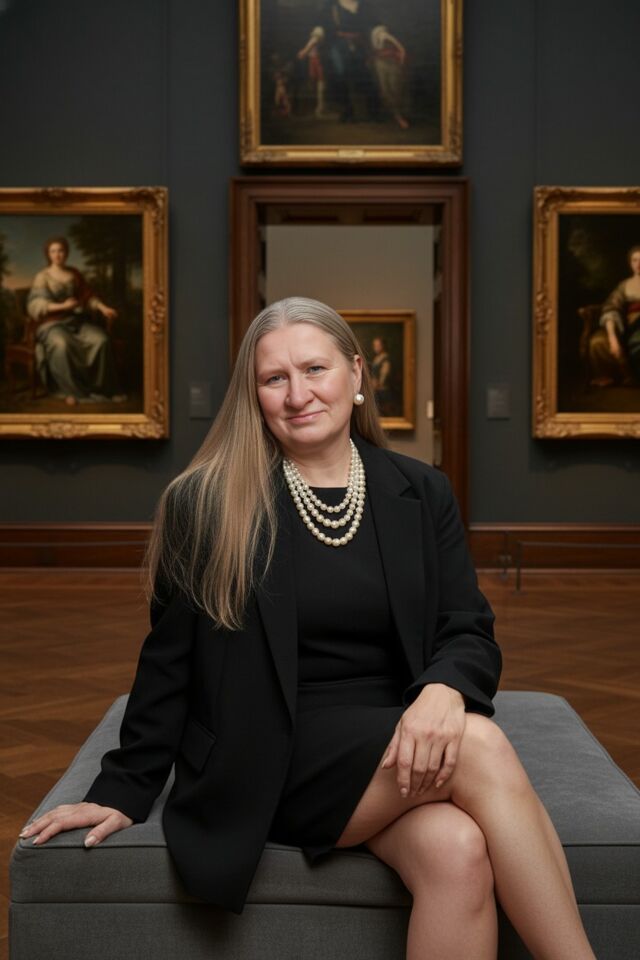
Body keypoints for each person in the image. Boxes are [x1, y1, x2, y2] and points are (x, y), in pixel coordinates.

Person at [19, 297, 596, 959]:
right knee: (481, 745)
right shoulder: (205, 503)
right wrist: (123, 788)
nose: (298, 395)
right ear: (255, 394)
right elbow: (168, 663)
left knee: (457, 851)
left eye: (315, 369)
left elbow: (467, 628)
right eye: (275, 378)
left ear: (356, 374)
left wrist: (442, 691)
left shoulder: (421, 489)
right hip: (270, 755)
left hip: (393, 745)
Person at [27, 236, 126, 405]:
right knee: (62, 344)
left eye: (61, 250)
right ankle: (70, 391)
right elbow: (35, 305)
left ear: (66, 253)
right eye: (53, 251)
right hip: (50, 324)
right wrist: (63, 306)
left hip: (75, 321)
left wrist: (103, 308)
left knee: (101, 340)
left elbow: (87, 297)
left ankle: (104, 389)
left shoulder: (74, 274)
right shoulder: (42, 276)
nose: (57, 255)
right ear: (48, 254)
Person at [588, 244, 640, 387]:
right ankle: (613, 376)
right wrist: (612, 338)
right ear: (630, 263)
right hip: (631, 328)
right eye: (635, 260)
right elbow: (611, 308)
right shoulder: (624, 286)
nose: (638, 264)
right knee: (597, 342)